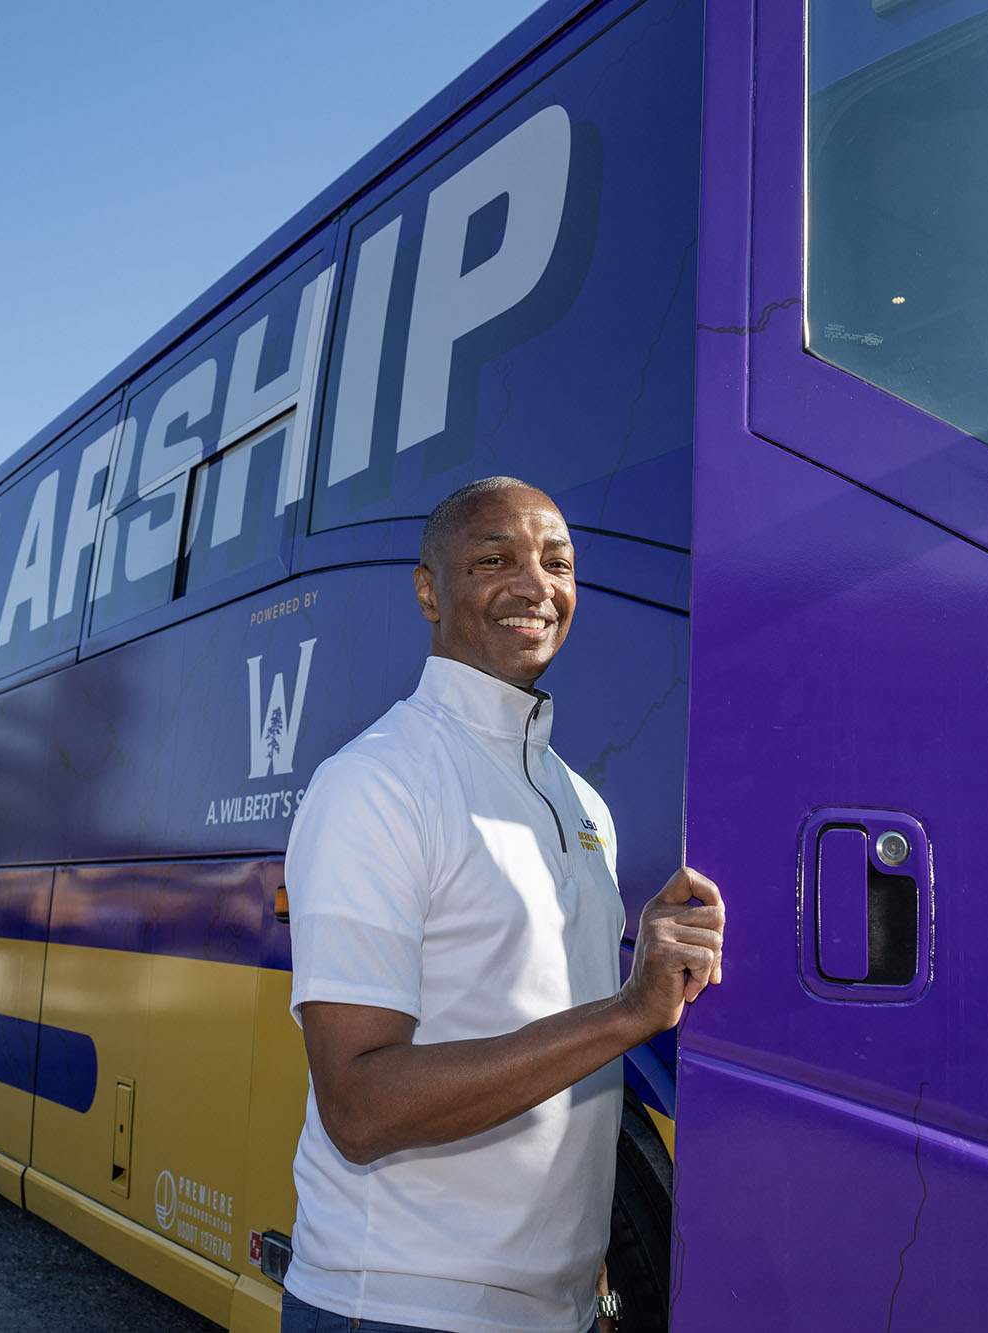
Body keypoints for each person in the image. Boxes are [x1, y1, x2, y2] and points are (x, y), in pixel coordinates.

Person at [281, 476, 726, 1333]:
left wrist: (586, 1292)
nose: (536, 585)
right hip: (397, 1309)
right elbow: (360, 1107)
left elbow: (565, 1076)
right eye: (495, 558)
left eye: (557, 563)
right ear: (428, 589)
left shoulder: (581, 802)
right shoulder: (374, 785)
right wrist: (631, 1011)